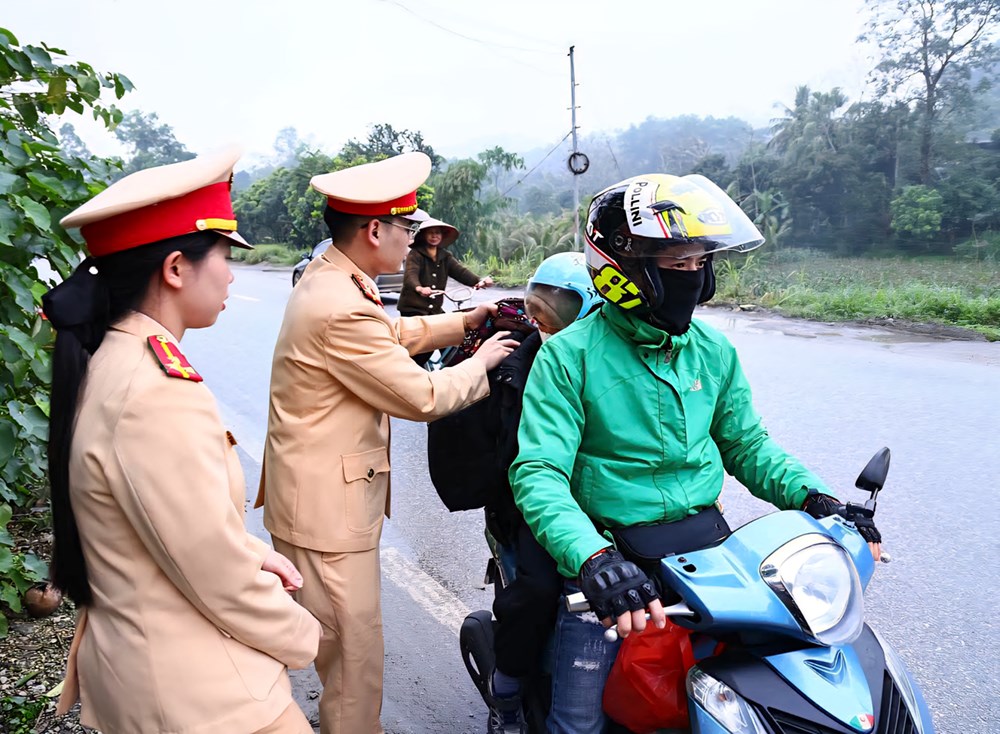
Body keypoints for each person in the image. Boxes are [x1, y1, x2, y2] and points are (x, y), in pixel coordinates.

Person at [508, 174, 883, 734]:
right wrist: (593, 561)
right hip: (611, 565)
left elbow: (747, 444)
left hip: (706, 555)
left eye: (701, 263)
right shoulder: (568, 357)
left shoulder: (713, 350)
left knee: (771, 682)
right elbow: (539, 474)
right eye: (678, 263)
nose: (695, 277)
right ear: (623, 271)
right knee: (578, 723)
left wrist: (815, 496)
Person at [42, 148, 322, 734]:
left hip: (144, 671)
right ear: (175, 268)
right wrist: (303, 634)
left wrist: (255, 552)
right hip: (198, 697)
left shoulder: (114, 359)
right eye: (224, 255)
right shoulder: (156, 392)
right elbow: (212, 567)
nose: (231, 274)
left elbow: (161, 523)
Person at [256, 152, 519, 734]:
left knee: (349, 655)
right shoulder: (340, 305)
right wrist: (484, 362)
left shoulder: (336, 279)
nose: (412, 239)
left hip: (318, 500)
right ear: (375, 230)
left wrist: (466, 321)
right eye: (406, 228)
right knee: (354, 666)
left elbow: (391, 334)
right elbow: (421, 397)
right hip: (326, 515)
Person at [428, 252, 601, 734]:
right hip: (530, 502)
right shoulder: (516, 364)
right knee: (537, 592)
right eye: (539, 304)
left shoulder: (613, 357)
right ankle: (505, 695)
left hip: (603, 502)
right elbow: (524, 464)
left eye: (559, 307)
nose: (543, 317)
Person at [397, 217, 494, 366]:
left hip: (434, 309)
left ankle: (451, 369)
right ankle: (410, 370)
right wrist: (419, 288)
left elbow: (460, 272)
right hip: (414, 309)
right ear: (423, 235)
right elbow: (411, 274)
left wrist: (478, 281)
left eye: (437, 233)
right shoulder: (415, 254)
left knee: (451, 337)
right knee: (424, 346)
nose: (434, 236)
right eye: (431, 233)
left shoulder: (445, 256)